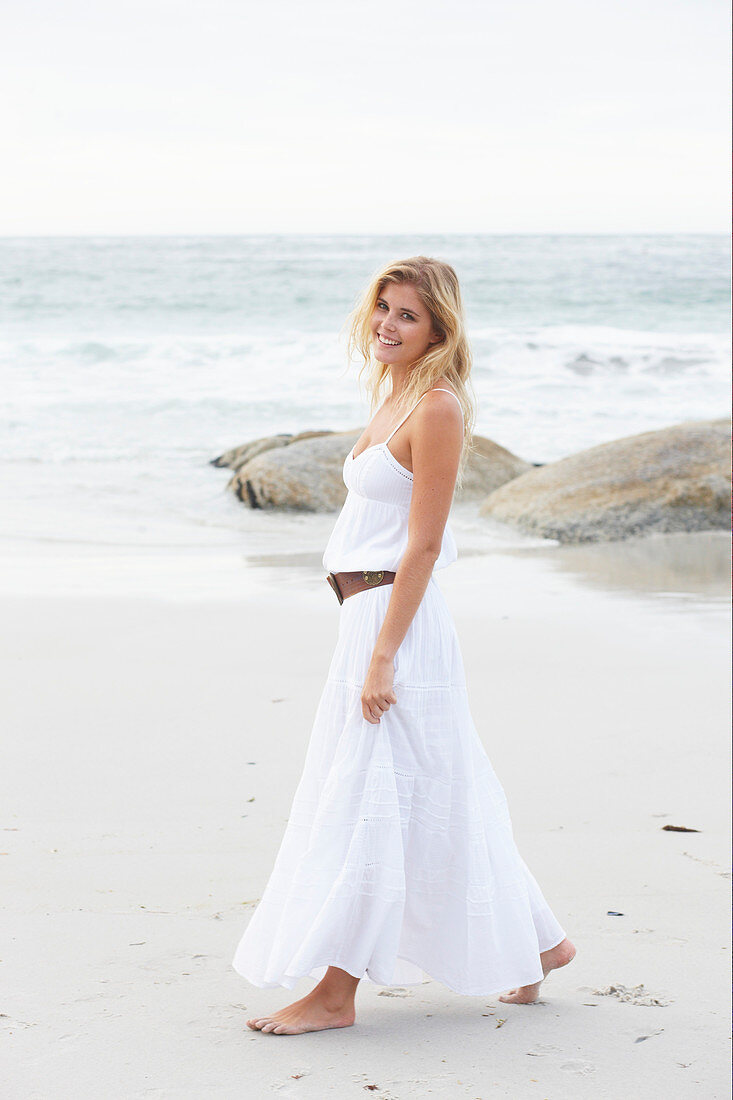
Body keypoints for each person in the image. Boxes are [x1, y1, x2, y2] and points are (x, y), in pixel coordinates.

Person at [233, 256, 575, 1035]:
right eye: (383, 308)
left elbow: (422, 546)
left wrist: (383, 654)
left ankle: (333, 993)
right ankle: (543, 943)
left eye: (407, 315)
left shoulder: (438, 408)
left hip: (398, 624)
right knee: (436, 787)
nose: (387, 324)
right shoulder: (393, 394)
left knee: (369, 798)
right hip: (365, 616)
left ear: (439, 329)